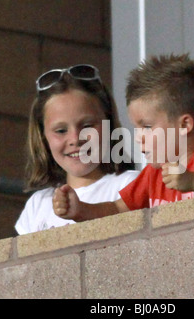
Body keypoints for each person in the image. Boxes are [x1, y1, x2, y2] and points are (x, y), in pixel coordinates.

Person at [52, 54, 194, 221]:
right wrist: (81, 210)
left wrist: (193, 179)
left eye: (147, 127)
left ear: (185, 125)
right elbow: (119, 208)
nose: (139, 137)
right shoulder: (154, 173)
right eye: (136, 128)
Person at [15, 64, 139, 235]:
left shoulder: (132, 184)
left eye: (87, 126)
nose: (75, 139)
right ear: (43, 136)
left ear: (109, 124)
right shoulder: (37, 205)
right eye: (61, 131)